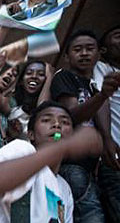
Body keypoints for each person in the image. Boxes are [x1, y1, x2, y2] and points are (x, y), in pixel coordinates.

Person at [50, 29, 120, 223]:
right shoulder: (64, 76)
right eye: (77, 49)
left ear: (98, 54)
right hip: (72, 165)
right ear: (66, 57)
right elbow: (71, 115)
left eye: (90, 49)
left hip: (91, 167)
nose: (84, 53)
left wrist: (107, 141)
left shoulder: (94, 85)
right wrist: (101, 96)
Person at [93, 25, 120, 223]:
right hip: (115, 155)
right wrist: (107, 139)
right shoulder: (101, 68)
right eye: (118, 36)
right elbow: (101, 100)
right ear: (103, 50)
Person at [8, 60, 54, 140]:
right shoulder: (11, 105)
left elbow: (57, 137)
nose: (34, 76)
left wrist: (50, 76)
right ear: (21, 80)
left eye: (41, 74)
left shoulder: (53, 112)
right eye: (29, 73)